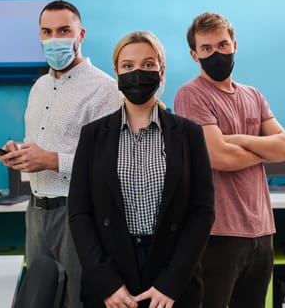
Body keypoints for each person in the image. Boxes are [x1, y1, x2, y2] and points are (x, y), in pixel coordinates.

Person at [68, 31, 215, 308]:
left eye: (148, 65)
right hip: (112, 281)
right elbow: (79, 213)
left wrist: (171, 284)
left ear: (161, 71)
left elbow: (202, 211)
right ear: (117, 72)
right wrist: (107, 284)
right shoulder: (93, 135)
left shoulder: (189, 134)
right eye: (128, 66)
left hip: (173, 279)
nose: (138, 73)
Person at [0, 0, 122, 308]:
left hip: (77, 214)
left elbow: (112, 163)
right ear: (39, 36)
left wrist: (52, 160)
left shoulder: (105, 89)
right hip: (36, 212)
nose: (55, 39)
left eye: (64, 30)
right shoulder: (39, 87)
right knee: (40, 298)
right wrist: (18, 154)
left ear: (81, 34)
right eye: (47, 31)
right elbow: (35, 145)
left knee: (76, 300)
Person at [174, 12, 285, 308]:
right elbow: (220, 157)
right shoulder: (191, 95)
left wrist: (237, 138)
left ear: (234, 45)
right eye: (207, 48)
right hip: (219, 234)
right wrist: (262, 148)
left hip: (262, 232)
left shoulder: (254, 95)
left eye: (222, 45)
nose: (216, 53)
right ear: (194, 54)